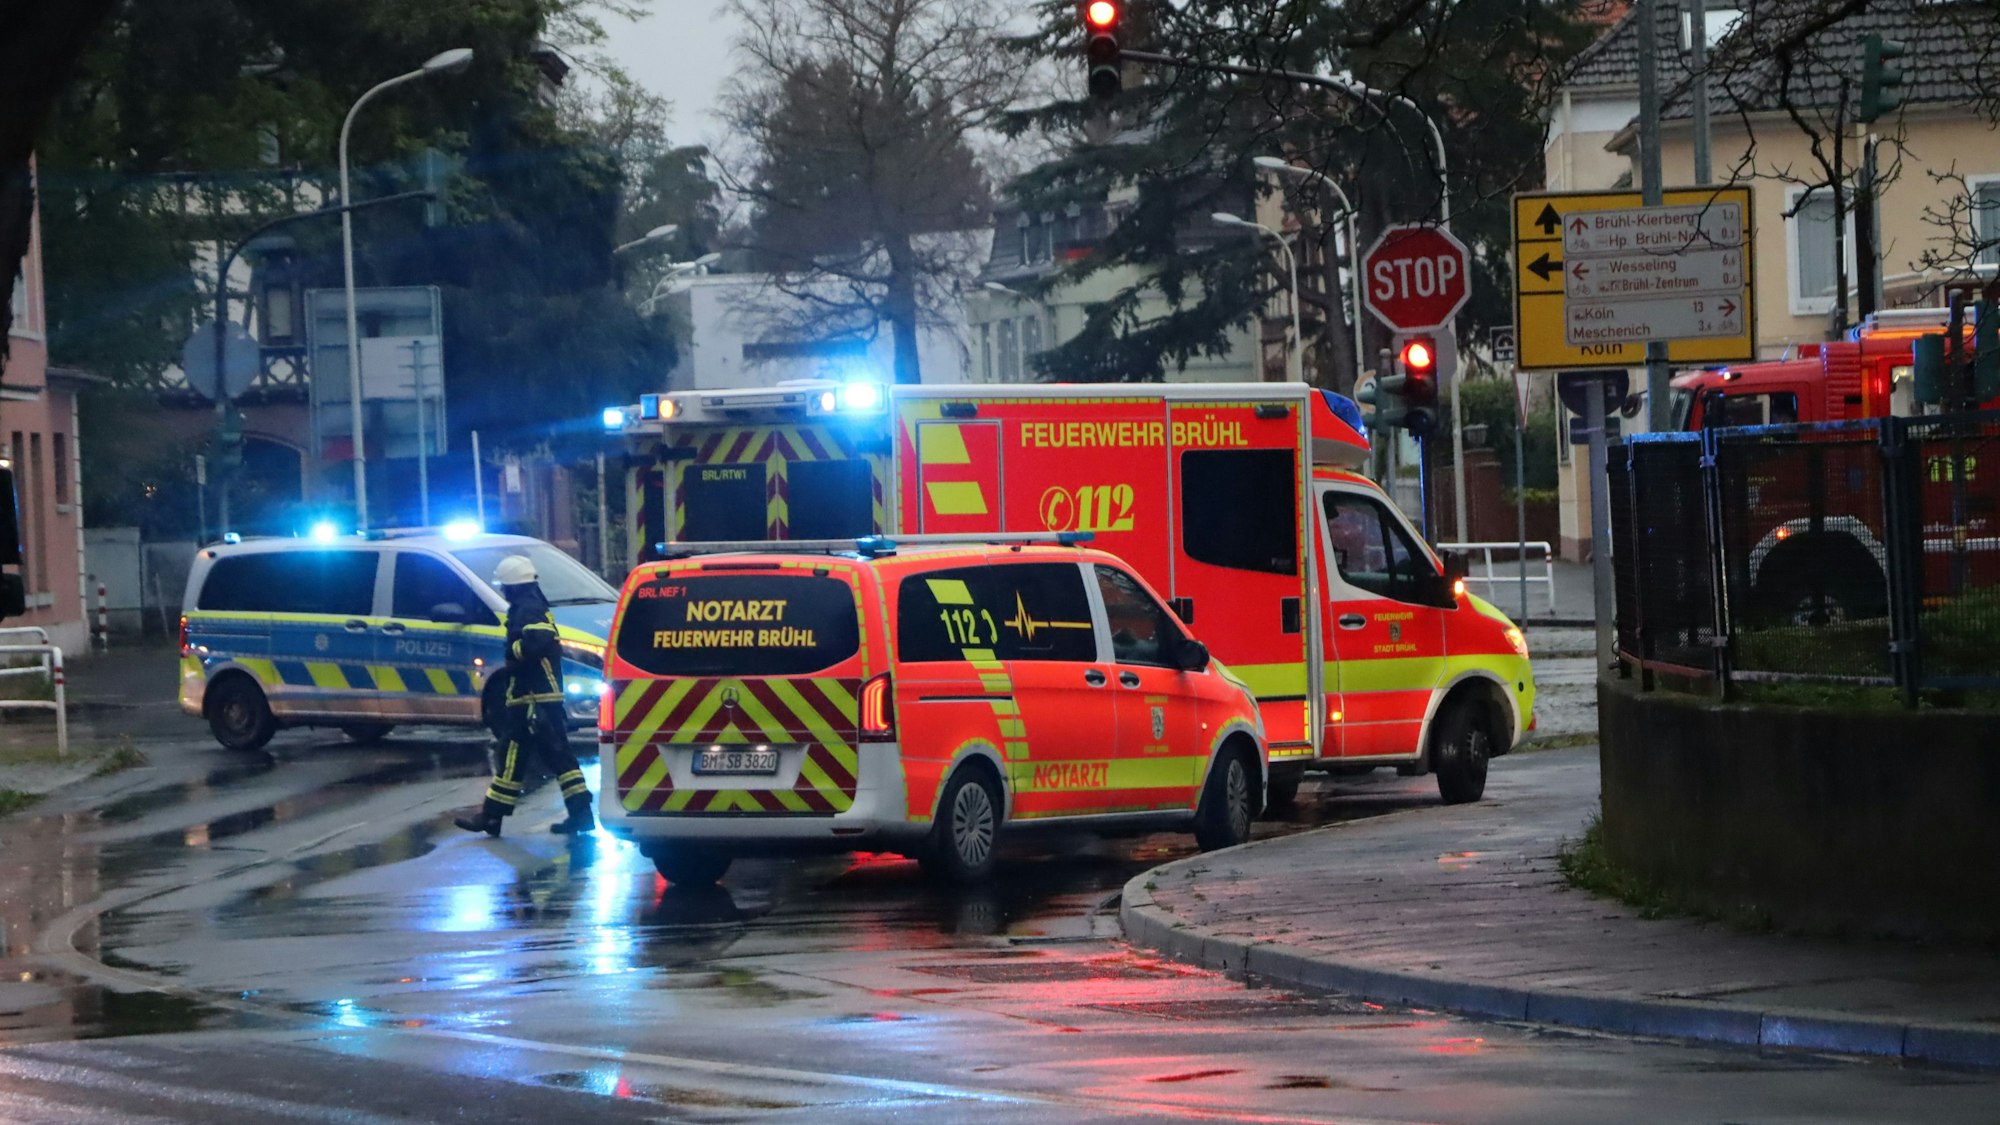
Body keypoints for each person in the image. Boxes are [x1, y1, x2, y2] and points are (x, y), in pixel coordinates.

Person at [454, 555, 595, 838]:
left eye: (504, 586)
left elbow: (538, 642)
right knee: (552, 757)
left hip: (533, 699)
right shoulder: (532, 606)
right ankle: (579, 814)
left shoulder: (527, 610)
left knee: (517, 754)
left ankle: (492, 817)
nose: (503, 591)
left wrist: (513, 654)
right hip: (537, 698)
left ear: (512, 586)